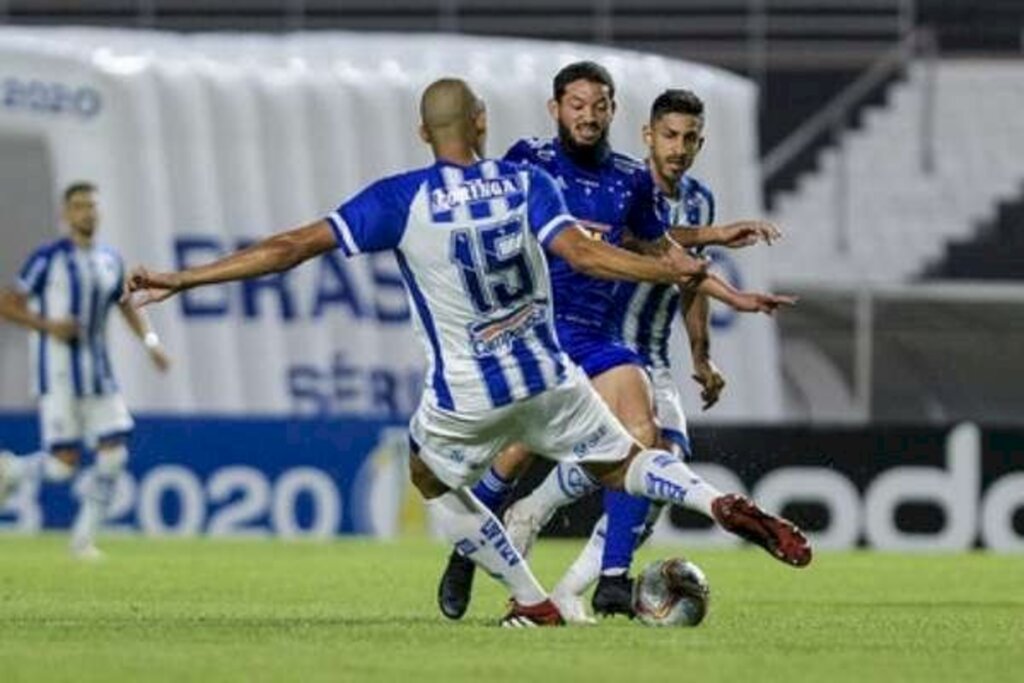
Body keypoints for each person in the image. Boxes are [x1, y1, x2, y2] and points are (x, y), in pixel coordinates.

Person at [124, 78, 808, 627]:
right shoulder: (527, 183)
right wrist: (677, 270)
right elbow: (585, 254)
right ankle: (717, 503)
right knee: (633, 461)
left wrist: (183, 278)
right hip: (549, 373)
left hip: (469, 393)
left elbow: (288, 250)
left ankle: (534, 596)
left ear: (426, 133)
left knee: (430, 481)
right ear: (483, 124)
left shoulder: (401, 198)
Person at [436, 62, 795, 622]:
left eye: (599, 104)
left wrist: (733, 293)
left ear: (612, 112)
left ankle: (611, 580)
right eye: (576, 104)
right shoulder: (529, 161)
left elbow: (664, 252)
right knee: (512, 454)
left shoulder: (629, 180)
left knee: (643, 432)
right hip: (532, 331)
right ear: (556, 109)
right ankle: (466, 558)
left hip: (594, 336)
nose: (588, 114)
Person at [0, 182, 170, 559]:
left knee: (114, 456)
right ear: (65, 214)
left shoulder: (110, 259)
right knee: (62, 468)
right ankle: (11, 472)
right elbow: (6, 303)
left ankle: (82, 542)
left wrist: (151, 344)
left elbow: (125, 305)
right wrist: (47, 325)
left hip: (99, 374)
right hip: (57, 373)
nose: (86, 213)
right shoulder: (48, 258)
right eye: (78, 207)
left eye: (91, 206)